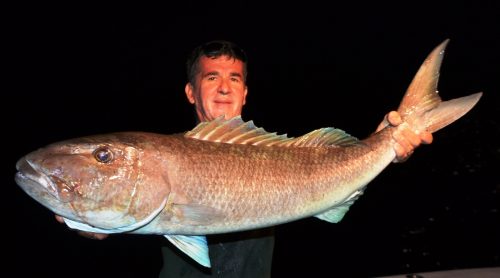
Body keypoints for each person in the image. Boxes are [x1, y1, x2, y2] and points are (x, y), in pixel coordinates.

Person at [56, 40, 433, 277]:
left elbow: (340, 168)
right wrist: (90, 222)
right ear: (190, 91)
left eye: (234, 78)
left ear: (245, 91)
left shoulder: (277, 154)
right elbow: (116, 218)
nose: (223, 86)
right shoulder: (164, 150)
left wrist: (386, 141)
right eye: (211, 77)